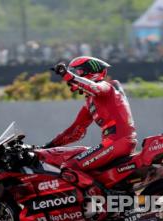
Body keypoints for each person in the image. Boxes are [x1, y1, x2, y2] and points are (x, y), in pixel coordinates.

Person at [43, 56, 137, 188]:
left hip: (117, 141)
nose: (72, 79)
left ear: (88, 73)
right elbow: (75, 131)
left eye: (76, 72)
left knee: (69, 167)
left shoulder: (106, 87)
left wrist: (67, 75)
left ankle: (97, 198)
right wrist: (47, 147)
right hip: (115, 142)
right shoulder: (90, 101)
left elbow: (94, 87)